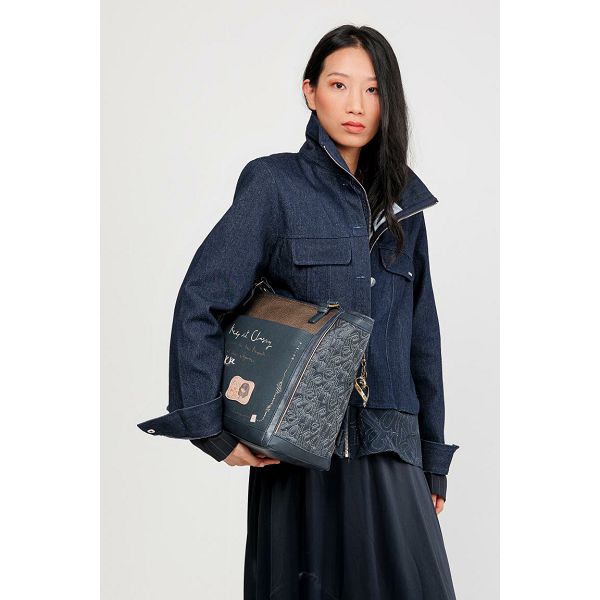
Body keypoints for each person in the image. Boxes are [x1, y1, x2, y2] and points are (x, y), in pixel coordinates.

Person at [138, 24, 460, 600]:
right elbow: (202, 299)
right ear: (310, 91)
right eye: (339, 85)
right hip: (298, 452)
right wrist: (208, 427)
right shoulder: (274, 184)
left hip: (392, 448)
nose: (356, 105)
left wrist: (432, 457)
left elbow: (422, 337)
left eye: (372, 89)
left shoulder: (405, 205)